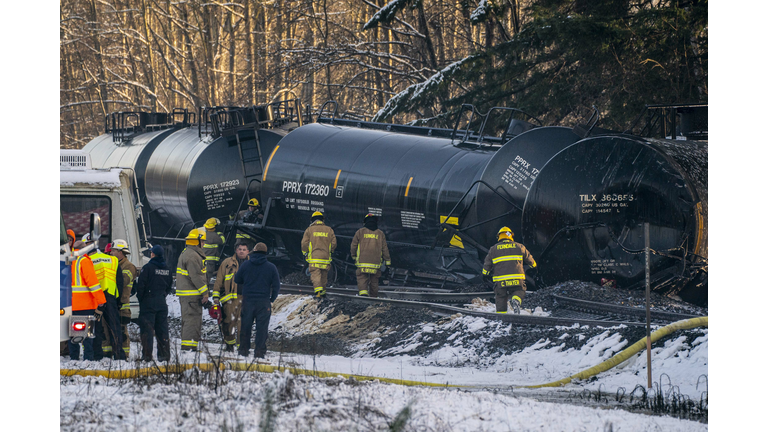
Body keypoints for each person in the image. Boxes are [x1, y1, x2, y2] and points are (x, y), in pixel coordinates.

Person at [234, 242, 280, 358]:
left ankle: (243, 350)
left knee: (245, 326)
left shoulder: (245, 265)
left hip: (248, 301)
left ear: (253, 252)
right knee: (262, 328)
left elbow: (237, 279)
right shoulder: (271, 267)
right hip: (263, 302)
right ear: (266, 253)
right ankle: (259, 352)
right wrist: (272, 299)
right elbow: (276, 285)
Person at [85, 236, 126, 360]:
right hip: (110, 296)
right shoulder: (112, 260)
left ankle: (97, 355)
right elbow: (120, 282)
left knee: (95, 326)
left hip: (95, 298)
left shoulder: (88, 260)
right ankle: (119, 354)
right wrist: (118, 301)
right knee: (114, 326)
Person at [482, 227, 537, 314]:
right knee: (520, 290)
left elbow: (487, 264)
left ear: (499, 236)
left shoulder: (493, 249)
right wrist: (534, 266)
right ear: (511, 235)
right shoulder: (519, 246)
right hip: (517, 278)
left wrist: (485, 274)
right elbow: (530, 260)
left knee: (501, 297)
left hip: (500, 280)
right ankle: (516, 300)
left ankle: (502, 317)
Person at [68, 240, 107, 361]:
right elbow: (93, 283)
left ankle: (74, 358)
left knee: (73, 332)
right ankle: (88, 359)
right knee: (87, 335)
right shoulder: (83, 261)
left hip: (70, 304)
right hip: (86, 304)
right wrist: (101, 300)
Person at [135, 245, 172, 362]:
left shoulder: (148, 268)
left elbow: (141, 286)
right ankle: (164, 356)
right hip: (161, 302)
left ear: (153, 254)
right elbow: (169, 286)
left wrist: (141, 299)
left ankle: (147, 356)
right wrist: (162, 296)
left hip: (148, 302)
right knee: (162, 331)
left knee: (147, 330)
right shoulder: (167, 269)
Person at [176, 228, 209, 351]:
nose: (204, 244)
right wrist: (205, 292)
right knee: (192, 321)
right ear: (197, 241)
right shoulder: (193, 256)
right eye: (203, 241)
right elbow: (197, 276)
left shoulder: (188, 252)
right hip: (191, 295)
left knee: (188, 320)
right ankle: (189, 348)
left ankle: (188, 346)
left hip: (187, 295)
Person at [213, 242, 249, 351]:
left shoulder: (252, 263)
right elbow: (219, 280)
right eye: (240, 249)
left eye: (244, 249)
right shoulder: (227, 263)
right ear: (236, 251)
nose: (241, 251)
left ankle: (241, 347)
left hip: (246, 299)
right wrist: (216, 296)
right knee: (228, 323)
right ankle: (229, 346)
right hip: (230, 300)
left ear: (248, 252)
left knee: (242, 324)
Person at [350, 213, 391, 297]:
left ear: (365, 222)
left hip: (362, 262)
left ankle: (363, 294)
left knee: (362, 277)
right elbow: (385, 249)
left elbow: (353, 246)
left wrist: (353, 256)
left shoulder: (360, 232)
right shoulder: (380, 234)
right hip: (375, 263)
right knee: (374, 281)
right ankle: (373, 298)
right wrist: (388, 262)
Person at [110, 239, 136, 358]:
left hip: (122, 304)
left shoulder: (129, 267)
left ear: (121, 252)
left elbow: (122, 281)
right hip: (113, 303)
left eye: (114, 250)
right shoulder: (114, 264)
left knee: (122, 330)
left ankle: (124, 353)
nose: (111, 253)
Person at [301, 211, 336, 297]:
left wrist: (305, 253)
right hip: (325, 257)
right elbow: (334, 243)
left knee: (315, 273)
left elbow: (304, 243)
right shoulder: (329, 230)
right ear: (322, 220)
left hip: (314, 257)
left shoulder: (309, 230)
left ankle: (318, 291)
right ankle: (323, 292)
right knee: (324, 274)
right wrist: (330, 251)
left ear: (312, 220)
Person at [202, 218, 225, 289]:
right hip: (209, 262)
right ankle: (204, 296)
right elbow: (222, 241)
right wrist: (220, 234)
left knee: (202, 277)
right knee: (207, 278)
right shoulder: (214, 236)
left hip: (202, 260)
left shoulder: (203, 234)